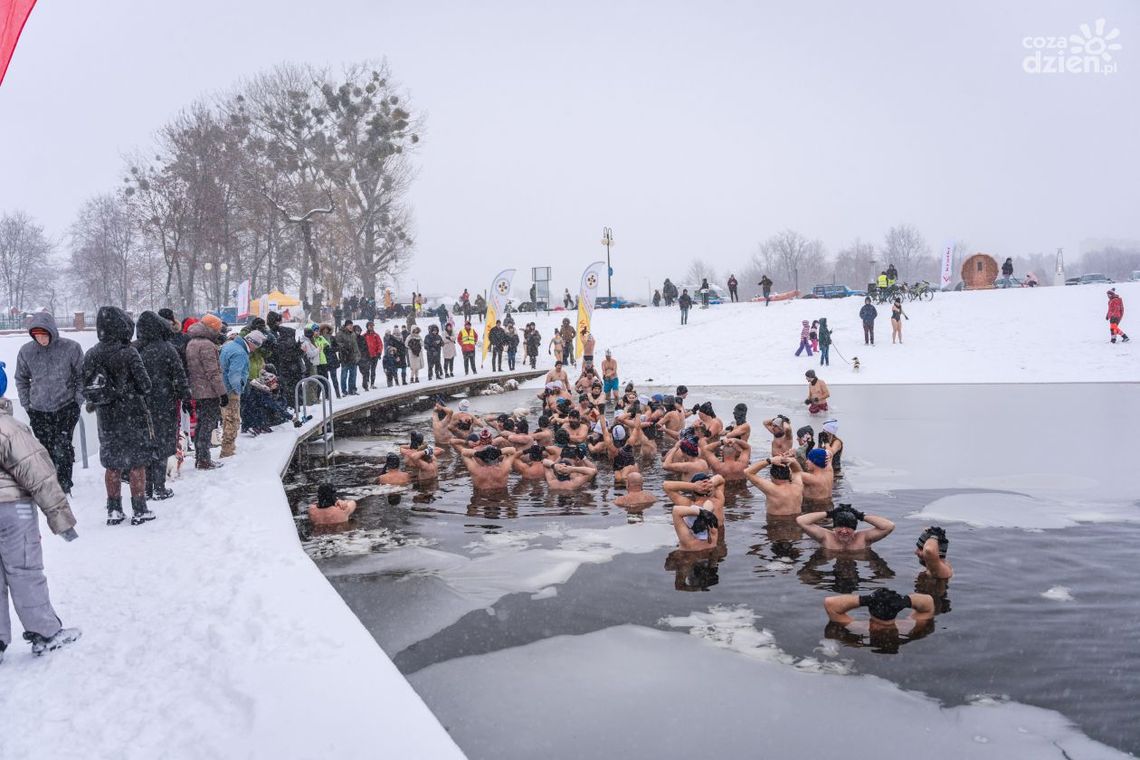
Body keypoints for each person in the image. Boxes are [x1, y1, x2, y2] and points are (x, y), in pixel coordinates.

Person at [0, 363, 81, 661]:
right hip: (12, 511)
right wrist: (60, 518)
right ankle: (44, 632)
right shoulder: (10, 428)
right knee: (24, 571)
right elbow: (39, 475)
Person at [82, 306, 156, 525]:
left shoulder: (92, 354)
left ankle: (114, 509)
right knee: (137, 464)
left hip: (106, 417)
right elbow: (145, 385)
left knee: (112, 464)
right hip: (132, 414)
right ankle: (140, 509)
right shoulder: (129, 352)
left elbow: (86, 386)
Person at [14, 311, 84, 495]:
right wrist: (27, 404)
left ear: (51, 332)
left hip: (66, 407)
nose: (41, 339)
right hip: (38, 409)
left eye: (44, 335)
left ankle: (64, 484)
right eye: (37, 336)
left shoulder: (71, 348)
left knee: (62, 444)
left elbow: (81, 377)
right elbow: (21, 379)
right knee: (45, 447)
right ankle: (51, 483)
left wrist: (77, 402)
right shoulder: (26, 352)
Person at [134, 311, 190, 501]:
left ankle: (146, 487)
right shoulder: (167, 348)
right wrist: (186, 396)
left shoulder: (135, 349)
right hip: (164, 403)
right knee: (163, 444)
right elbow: (180, 375)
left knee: (145, 445)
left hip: (139, 405)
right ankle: (159, 487)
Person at [185, 315, 226, 469]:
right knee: (207, 425)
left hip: (197, 390)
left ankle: (200, 456)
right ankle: (204, 459)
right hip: (208, 391)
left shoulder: (191, 342)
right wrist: (222, 393)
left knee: (201, 424)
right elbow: (213, 372)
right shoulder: (207, 345)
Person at [220, 330, 265, 457]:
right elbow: (234, 375)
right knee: (232, 420)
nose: (255, 350)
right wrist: (239, 389)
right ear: (252, 343)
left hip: (222, 387)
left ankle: (227, 448)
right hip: (231, 391)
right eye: (256, 347)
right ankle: (227, 451)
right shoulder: (240, 353)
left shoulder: (229, 345)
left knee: (226, 420)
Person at [796, 504, 895, 551]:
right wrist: (829, 513)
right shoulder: (826, 537)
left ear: (854, 529)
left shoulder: (863, 538)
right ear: (834, 527)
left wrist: (860, 515)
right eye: (840, 527)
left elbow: (889, 526)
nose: (844, 531)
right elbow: (801, 520)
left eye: (848, 527)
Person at [824, 588, 934, 628]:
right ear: (897, 609)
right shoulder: (908, 626)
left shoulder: (859, 628)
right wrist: (903, 601)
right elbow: (928, 601)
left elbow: (830, 604)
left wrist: (866, 599)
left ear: (870, 609)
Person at [314, 324, 340, 399]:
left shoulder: (332, 338)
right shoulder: (319, 339)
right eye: (324, 329)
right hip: (323, 361)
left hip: (332, 360)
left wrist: (331, 349)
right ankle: (324, 395)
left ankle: (337, 394)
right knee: (324, 379)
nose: (325, 330)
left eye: (327, 329)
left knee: (334, 378)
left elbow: (337, 347)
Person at [335, 321, 360, 395]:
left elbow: (355, 346)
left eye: (351, 325)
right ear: (345, 326)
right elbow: (337, 343)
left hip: (353, 357)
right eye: (349, 325)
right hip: (345, 357)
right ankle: (344, 390)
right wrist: (344, 347)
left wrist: (358, 355)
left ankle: (351, 389)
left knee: (353, 375)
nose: (351, 326)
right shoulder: (340, 333)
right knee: (344, 375)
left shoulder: (353, 334)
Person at [364, 321, 383, 388]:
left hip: (375, 355)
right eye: (370, 326)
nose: (371, 327)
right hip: (367, 356)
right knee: (366, 370)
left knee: (373, 370)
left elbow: (380, 344)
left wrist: (379, 352)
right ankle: (367, 382)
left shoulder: (376, 335)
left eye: (372, 326)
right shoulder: (364, 336)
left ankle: (372, 383)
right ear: (367, 327)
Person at [353, 325, 371, 391]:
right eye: (357, 331)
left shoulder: (362, 338)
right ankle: (353, 387)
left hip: (363, 357)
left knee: (365, 372)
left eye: (359, 331)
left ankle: (365, 385)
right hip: (355, 357)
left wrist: (368, 356)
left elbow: (366, 347)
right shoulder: (352, 338)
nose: (358, 332)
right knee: (354, 374)